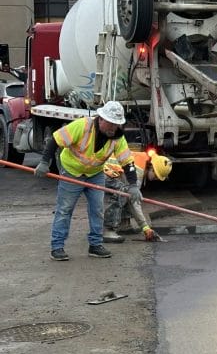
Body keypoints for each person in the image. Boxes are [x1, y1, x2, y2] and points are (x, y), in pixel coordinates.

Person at [34, 101, 137, 261]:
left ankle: (95, 245)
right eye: (110, 123)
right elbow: (56, 139)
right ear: (100, 118)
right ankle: (57, 247)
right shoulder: (82, 126)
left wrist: (133, 185)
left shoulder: (117, 137)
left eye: (116, 125)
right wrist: (44, 162)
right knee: (65, 209)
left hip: (95, 174)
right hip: (72, 172)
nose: (112, 128)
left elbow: (127, 162)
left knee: (97, 209)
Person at [102, 150, 173, 243]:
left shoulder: (143, 160)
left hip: (108, 171)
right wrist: (145, 227)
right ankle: (108, 231)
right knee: (122, 193)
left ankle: (124, 225)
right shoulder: (137, 171)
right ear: (152, 168)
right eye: (156, 176)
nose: (156, 179)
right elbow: (134, 202)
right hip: (102, 173)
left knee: (127, 191)